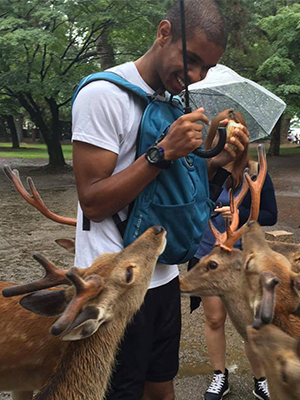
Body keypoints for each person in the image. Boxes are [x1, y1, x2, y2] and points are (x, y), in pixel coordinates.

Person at [71, 2, 249, 400]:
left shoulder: (171, 102)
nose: (194, 76)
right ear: (164, 32)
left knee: (161, 387)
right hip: (113, 286)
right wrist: (161, 152)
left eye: (206, 69)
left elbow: (173, 193)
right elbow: (94, 202)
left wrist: (221, 161)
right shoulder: (104, 95)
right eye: (191, 60)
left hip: (164, 276)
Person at [188, 110, 278, 400]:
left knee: (250, 323)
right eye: (222, 132)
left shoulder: (255, 173)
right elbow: (188, 209)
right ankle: (219, 375)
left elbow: (271, 215)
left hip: (242, 262)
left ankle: (261, 378)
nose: (229, 140)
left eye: (234, 132)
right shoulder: (202, 171)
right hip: (207, 256)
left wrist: (239, 216)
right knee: (214, 320)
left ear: (243, 137)